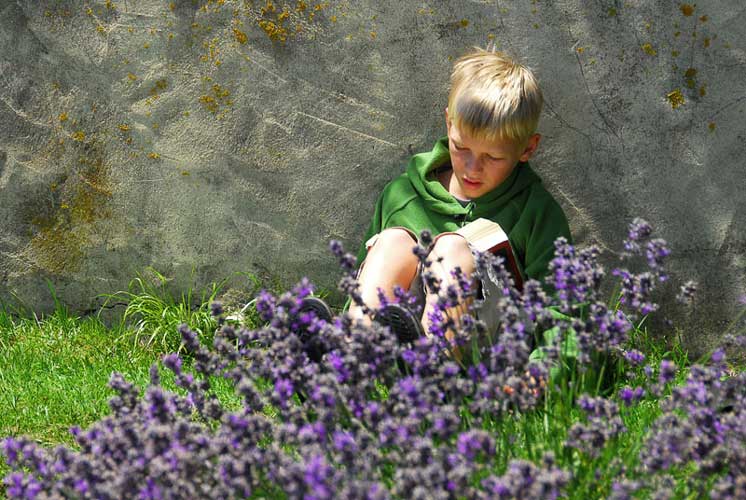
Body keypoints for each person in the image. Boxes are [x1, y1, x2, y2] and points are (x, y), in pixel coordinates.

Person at [345, 45, 573, 353]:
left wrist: (543, 374)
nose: (472, 168)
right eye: (461, 148)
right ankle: (351, 352)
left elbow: (564, 312)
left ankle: (435, 368)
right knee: (393, 242)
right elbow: (367, 276)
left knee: (453, 248)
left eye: (492, 157)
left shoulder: (536, 212)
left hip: (485, 347)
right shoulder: (402, 195)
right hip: (401, 330)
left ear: (527, 149)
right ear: (449, 123)